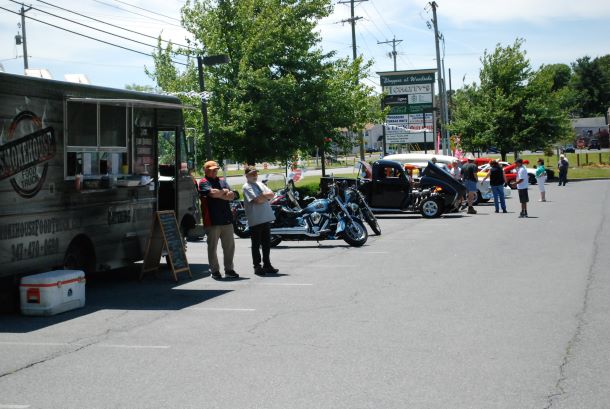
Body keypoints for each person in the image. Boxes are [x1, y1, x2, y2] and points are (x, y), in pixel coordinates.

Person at [198, 161, 238, 280]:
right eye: (211, 169)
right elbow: (212, 194)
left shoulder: (222, 181)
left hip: (226, 219)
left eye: (215, 169)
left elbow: (232, 195)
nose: (214, 171)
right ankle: (215, 271)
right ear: (206, 170)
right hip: (212, 220)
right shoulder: (203, 182)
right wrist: (224, 192)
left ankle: (229, 269)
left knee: (229, 247)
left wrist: (223, 193)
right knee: (212, 248)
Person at [242, 166, 279, 276]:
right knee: (256, 244)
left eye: (255, 173)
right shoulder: (246, 186)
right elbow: (257, 200)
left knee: (266, 244)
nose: (254, 175)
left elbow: (272, 194)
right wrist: (265, 196)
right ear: (247, 175)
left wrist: (263, 196)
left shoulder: (260, 184)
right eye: (252, 174)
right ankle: (257, 266)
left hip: (265, 218)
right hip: (256, 219)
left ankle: (267, 265)